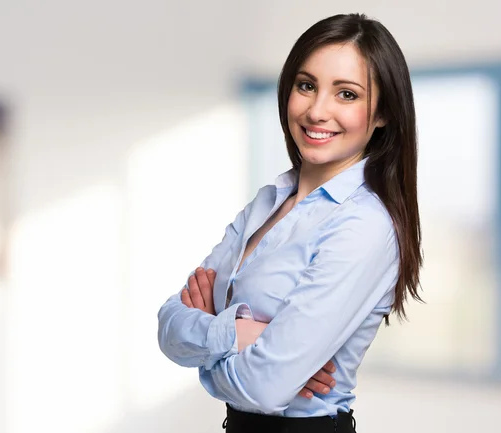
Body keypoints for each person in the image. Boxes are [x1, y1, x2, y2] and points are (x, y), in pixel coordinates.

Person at [157, 12, 422, 433]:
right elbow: (168, 325)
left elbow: (262, 387)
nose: (318, 110)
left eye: (347, 94)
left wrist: (208, 340)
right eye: (306, 85)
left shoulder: (364, 225)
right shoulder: (268, 201)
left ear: (383, 113)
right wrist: (247, 336)